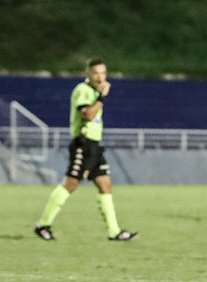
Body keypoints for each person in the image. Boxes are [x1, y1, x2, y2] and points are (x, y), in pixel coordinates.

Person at [34, 58, 136, 241]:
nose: (100, 77)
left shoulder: (94, 92)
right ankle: (43, 225)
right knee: (71, 184)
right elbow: (88, 114)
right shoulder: (83, 90)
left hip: (94, 145)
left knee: (105, 184)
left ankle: (114, 231)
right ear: (87, 73)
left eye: (103, 73)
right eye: (96, 73)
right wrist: (102, 97)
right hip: (83, 143)